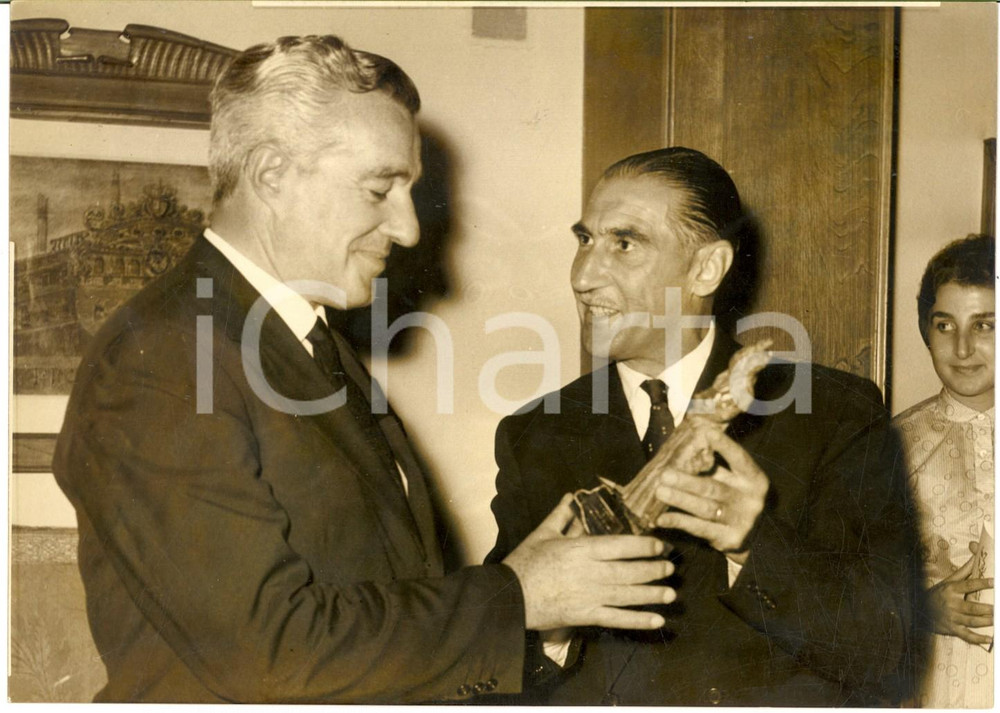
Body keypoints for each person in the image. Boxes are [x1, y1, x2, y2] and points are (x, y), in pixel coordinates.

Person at [52, 35, 677, 703]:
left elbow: (381, 601)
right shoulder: (166, 359)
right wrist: (518, 595)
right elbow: (265, 654)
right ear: (271, 174)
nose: (408, 227)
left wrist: (544, 612)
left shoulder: (302, 339)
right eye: (381, 187)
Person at [486, 147, 923, 705]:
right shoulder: (534, 433)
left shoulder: (835, 413)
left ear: (706, 268)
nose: (584, 275)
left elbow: (886, 649)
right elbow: (491, 654)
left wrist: (754, 542)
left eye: (624, 243)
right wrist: (550, 624)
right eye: (585, 240)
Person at [893, 234, 995, 708]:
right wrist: (921, 606)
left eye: (985, 325)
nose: (963, 347)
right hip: (939, 684)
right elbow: (852, 581)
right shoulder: (892, 446)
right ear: (924, 331)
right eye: (944, 325)